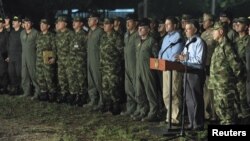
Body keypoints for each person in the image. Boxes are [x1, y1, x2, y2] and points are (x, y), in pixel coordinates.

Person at [208, 22, 243, 125]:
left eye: (214, 31)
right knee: (221, 113)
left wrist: (234, 83)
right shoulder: (218, 47)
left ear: (221, 31)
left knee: (228, 115)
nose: (212, 33)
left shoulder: (227, 47)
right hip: (218, 86)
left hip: (225, 87)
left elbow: (236, 66)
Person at [176, 20, 206, 130]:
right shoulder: (188, 42)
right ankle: (192, 123)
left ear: (195, 30)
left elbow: (199, 61)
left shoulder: (199, 42)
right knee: (188, 99)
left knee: (196, 98)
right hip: (186, 71)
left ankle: (198, 124)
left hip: (195, 73)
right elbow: (185, 57)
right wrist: (180, 58)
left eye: (188, 29)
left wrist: (185, 58)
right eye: (185, 29)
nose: (185, 31)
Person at [158, 16, 184, 124]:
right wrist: (160, 60)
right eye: (165, 24)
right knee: (166, 94)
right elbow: (161, 51)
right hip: (165, 67)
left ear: (174, 25)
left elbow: (175, 54)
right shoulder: (165, 38)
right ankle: (169, 115)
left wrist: (166, 61)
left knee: (174, 92)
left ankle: (175, 117)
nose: (166, 26)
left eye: (169, 24)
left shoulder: (178, 36)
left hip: (173, 67)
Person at [132, 18, 159, 122]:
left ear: (148, 29)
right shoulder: (137, 41)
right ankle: (143, 111)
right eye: (139, 28)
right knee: (139, 92)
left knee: (150, 91)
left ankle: (153, 113)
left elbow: (156, 57)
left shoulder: (151, 41)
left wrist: (154, 72)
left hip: (148, 70)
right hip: (138, 69)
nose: (139, 30)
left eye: (142, 28)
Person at [99, 18, 123, 114]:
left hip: (113, 67)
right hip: (104, 66)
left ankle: (116, 105)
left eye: (107, 24)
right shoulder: (103, 37)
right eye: (104, 24)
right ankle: (107, 105)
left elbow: (121, 52)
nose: (104, 26)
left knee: (113, 87)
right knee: (105, 87)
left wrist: (115, 63)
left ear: (112, 25)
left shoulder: (116, 37)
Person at [120, 13, 139, 116]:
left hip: (135, 65)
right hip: (127, 64)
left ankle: (139, 109)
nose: (127, 24)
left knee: (137, 88)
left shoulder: (137, 35)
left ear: (135, 23)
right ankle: (130, 108)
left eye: (130, 22)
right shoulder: (126, 34)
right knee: (128, 88)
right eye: (126, 22)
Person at [86, 12, 104, 110]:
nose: (88, 21)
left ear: (96, 21)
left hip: (97, 59)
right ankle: (93, 100)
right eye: (88, 19)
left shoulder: (100, 32)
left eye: (91, 19)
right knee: (91, 81)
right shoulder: (90, 32)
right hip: (89, 59)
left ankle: (102, 101)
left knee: (98, 80)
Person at [68, 16, 88, 106]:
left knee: (81, 79)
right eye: (73, 21)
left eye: (76, 21)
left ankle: (83, 96)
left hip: (80, 62)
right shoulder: (72, 34)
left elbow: (87, 49)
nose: (74, 23)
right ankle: (76, 95)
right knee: (73, 79)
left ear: (81, 24)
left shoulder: (84, 34)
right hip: (72, 61)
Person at [35, 18, 57, 101]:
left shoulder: (51, 35)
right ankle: (44, 93)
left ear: (48, 26)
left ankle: (52, 94)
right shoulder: (39, 35)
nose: (41, 26)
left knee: (49, 77)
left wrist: (54, 57)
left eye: (43, 24)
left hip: (48, 56)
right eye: (40, 24)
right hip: (39, 58)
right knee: (40, 77)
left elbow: (54, 47)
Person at [200, 13, 217, 121]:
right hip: (204, 65)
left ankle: (215, 113)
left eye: (205, 21)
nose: (203, 23)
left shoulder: (215, 33)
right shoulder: (203, 34)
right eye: (203, 21)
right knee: (205, 90)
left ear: (211, 22)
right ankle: (206, 113)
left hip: (213, 65)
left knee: (212, 90)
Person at [234, 17, 250, 123]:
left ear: (246, 26)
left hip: (245, 74)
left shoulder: (248, 40)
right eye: (237, 23)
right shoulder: (235, 41)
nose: (237, 24)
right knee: (237, 97)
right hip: (236, 74)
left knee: (245, 99)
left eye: (241, 23)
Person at [54, 15, 73, 103]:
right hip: (60, 60)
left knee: (70, 78)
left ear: (65, 23)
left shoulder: (70, 34)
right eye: (57, 22)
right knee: (61, 78)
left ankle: (72, 95)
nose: (58, 23)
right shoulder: (58, 34)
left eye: (60, 22)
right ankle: (64, 94)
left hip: (68, 60)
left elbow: (73, 48)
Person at [20, 17, 40, 100]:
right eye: (25, 23)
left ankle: (37, 93)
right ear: (23, 24)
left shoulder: (35, 33)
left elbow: (38, 46)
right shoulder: (22, 33)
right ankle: (26, 92)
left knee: (34, 74)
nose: (27, 24)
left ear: (31, 23)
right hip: (24, 57)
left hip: (32, 56)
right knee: (24, 75)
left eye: (28, 23)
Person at [5, 16, 22, 95]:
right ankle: (14, 87)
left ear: (19, 23)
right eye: (13, 21)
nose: (13, 22)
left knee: (18, 73)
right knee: (11, 72)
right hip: (11, 56)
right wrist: (8, 55)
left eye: (15, 21)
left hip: (19, 56)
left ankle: (19, 88)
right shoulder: (11, 32)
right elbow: (9, 44)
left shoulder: (22, 32)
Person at [0, 17, 9, 94]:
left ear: (3, 24)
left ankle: (4, 87)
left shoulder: (6, 33)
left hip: (3, 55)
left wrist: (7, 55)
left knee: (3, 71)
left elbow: (8, 44)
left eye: (0, 22)